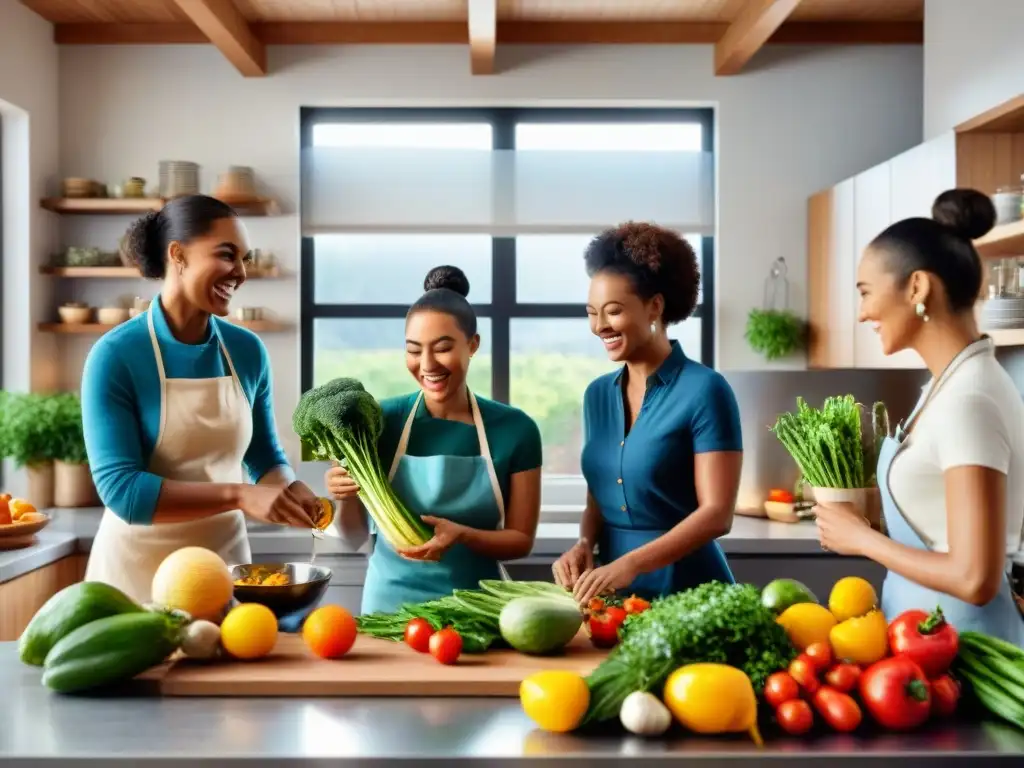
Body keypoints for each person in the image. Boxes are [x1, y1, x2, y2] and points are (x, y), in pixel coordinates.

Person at [82, 195, 320, 604]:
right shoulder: (116, 355)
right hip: (133, 581)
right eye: (227, 255)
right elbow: (123, 491)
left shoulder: (246, 351)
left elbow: (263, 455)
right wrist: (241, 495)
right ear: (178, 255)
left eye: (245, 259)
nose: (241, 273)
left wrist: (286, 491)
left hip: (221, 572)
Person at [815, 188, 1024, 644]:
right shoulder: (948, 385)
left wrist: (862, 539)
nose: (862, 312)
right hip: (928, 644)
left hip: (967, 654)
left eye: (866, 292)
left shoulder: (969, 400)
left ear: (917, 287)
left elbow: (975, 577)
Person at [325, 266, 543, 615]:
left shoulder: (515, 429)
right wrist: (344, 495)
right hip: (388, 610)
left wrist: (464, 535)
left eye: (442, 348)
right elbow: (352, 537)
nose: (427, 364)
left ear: (473, 345)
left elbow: (520, 541)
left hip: (476, 609)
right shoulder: (376, 423)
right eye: (414, 350)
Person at [553, 222, 743, 605]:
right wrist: (585, 544)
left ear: (655, 305)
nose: (600, 326)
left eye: (613, 311)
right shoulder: (596, 396)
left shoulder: (706, 390)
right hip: (613, 592)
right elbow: (598, 498)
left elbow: (717, 514)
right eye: (592, 313)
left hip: (688, 588)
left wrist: (632, 564)